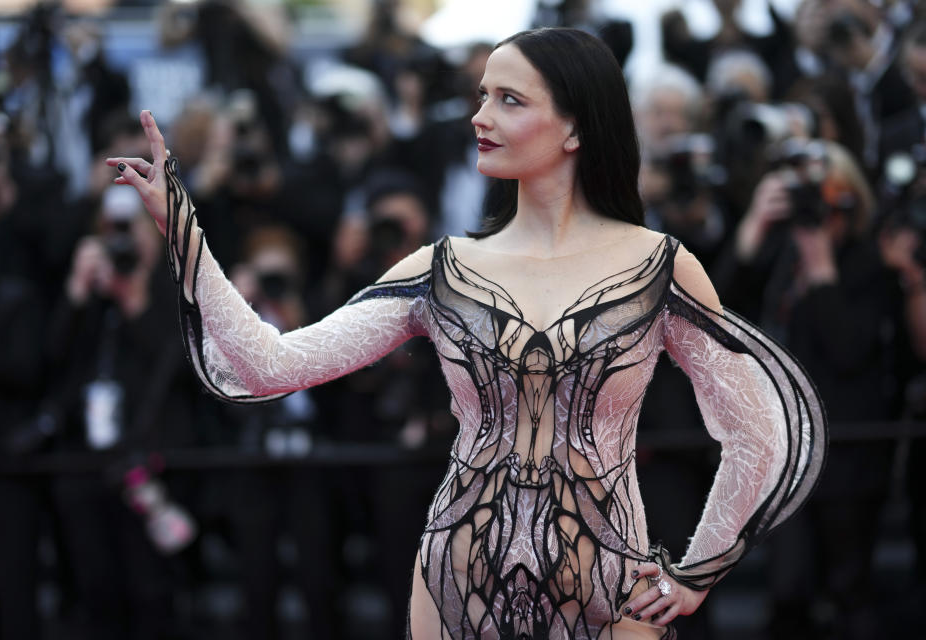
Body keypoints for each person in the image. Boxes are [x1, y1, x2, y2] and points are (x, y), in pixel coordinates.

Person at [109, 27, 826, 640]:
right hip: (458, 579)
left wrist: (700, 568)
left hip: (609, 587)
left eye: (509, 100)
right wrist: (183, 228)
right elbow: (270, 363)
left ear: (575, 127)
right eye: (483, 94)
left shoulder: (659, 267)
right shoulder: (441, 268)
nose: (480, 115)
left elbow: (759, 429)